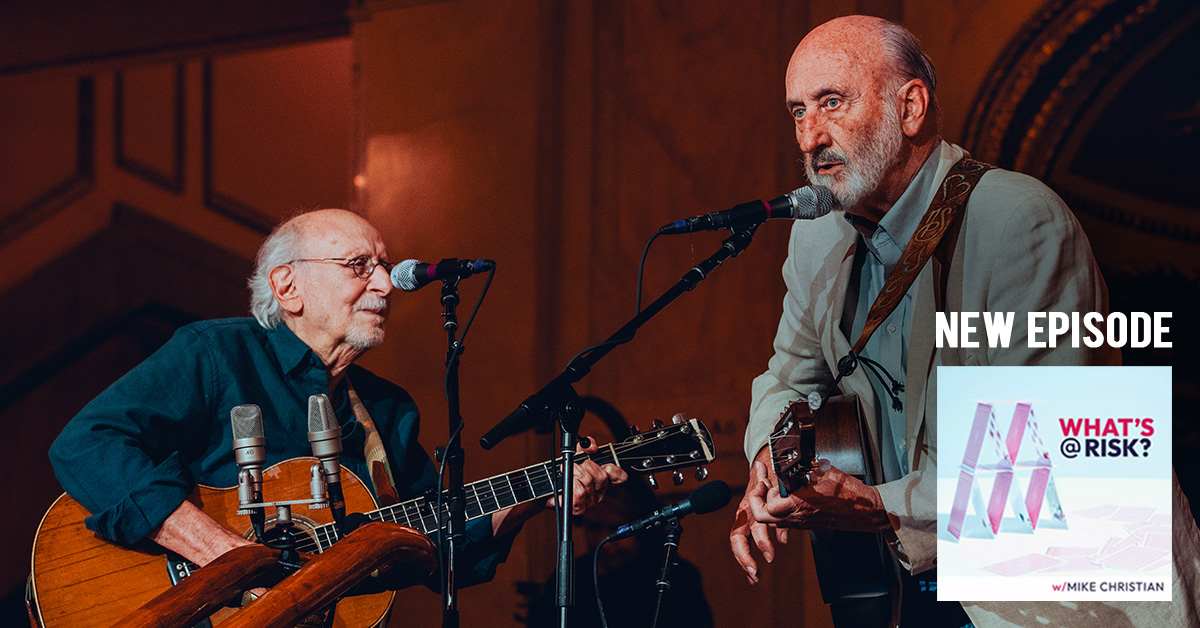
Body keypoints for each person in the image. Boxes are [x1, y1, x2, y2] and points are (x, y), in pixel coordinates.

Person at [727, 15, 1200, 628]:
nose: (810, 136)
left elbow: (1047, 461)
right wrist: (769, 455)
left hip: (1060, 591)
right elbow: (789, 378)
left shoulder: (1018, 220)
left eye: (832, 103)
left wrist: (877, 504)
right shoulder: (814, 240)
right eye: (797, 112)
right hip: (913, 584)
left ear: (911, 108)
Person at [49, 208, 627, 611]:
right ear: (287, 286)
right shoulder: (217, 353)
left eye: (383, 265)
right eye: (358, 266)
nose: (386, 284)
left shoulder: (386, 409)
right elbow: (87, 443)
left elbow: (442, 551)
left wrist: (541, 494)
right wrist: (224, 554)